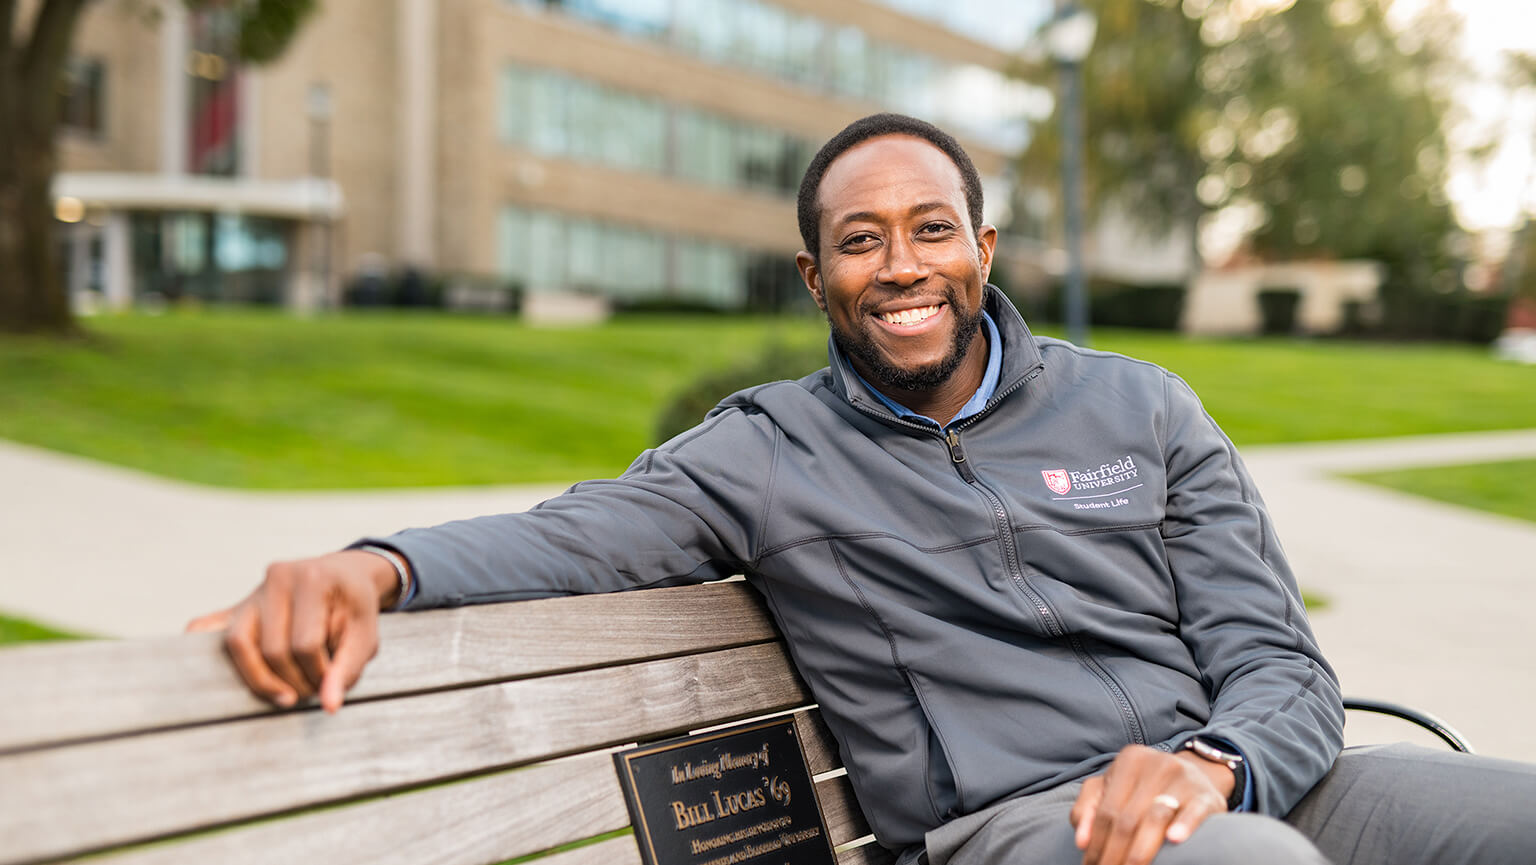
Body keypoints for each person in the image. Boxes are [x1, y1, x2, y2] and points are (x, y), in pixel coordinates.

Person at [189, 114, 1536, 865]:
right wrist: (372, 564)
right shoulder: (763, 453)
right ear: (814, 275)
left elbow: (1279, 663)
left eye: (930, 229)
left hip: (1234, 782)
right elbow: (577, 534)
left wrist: (1214, 761)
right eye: (860, 240)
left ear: (983, 243)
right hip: (1015, 831)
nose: (901, 265)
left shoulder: (1141, 405)